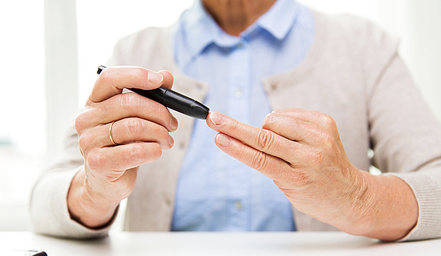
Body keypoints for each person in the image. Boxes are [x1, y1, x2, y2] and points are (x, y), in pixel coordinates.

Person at [30, 0, 441, 241]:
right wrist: (92, 189)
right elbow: (43, 200)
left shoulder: (364, 48)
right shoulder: (136, 51)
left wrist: (358, 197)